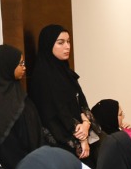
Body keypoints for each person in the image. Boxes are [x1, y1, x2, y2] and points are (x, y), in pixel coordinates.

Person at [0, 44, 46, 169]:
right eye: (20, 64)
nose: (24, 67)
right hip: (16, 168)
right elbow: (4, 145)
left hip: (36, 159)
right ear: (5, 66)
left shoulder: (16, 90)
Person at [27, 24, 93, 159]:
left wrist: (86, 124)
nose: (67, 46)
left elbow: (80, 102)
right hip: (59, 144)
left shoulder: (66, 73)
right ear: (48, 45)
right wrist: (81, 138)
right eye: (60, 43)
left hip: (80, 134)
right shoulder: (42, 78)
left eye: (68, 42)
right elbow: (56, 114)